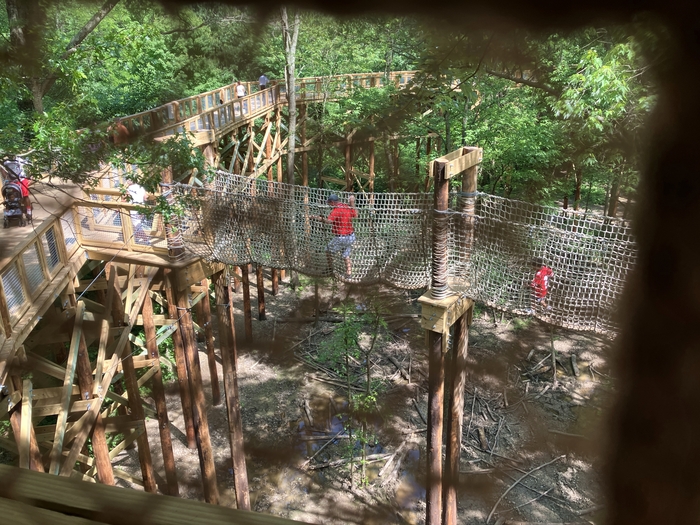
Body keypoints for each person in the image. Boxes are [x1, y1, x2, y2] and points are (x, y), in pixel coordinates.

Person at [313, 194, 357, 278]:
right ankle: (349, 273)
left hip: (342, 237)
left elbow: (329, 221)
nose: (329, 205)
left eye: (329, 203)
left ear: (333, 202)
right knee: (345, 254)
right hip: (351, 236)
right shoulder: (346, 206)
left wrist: (318, 218)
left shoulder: (336, 210)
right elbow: (355, 215)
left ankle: (330, 269)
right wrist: (352, 203)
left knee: (327, 250)